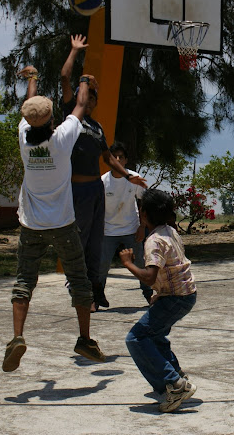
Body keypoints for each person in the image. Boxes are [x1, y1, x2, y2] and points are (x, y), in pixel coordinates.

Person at [2, 67, 105, 372]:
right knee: (79, 280)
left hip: (31, 224)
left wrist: (32, 77)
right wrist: (85, 79)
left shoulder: (24, 138)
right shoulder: (61, 140)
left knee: (24, 281)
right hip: (62, 224)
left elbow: (29, 108)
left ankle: (17, 337)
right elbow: (80, 105)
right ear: (50, 121)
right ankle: (84, 338)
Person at [61, 34, 146, 312]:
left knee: (95, 247)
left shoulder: (96, 127)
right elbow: (65, 76)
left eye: (94, 100)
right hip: (78, 190)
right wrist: (75, 53)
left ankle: (95, 293)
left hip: (95, 191)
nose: (91, 102)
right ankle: (79, 290)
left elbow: (108, 157)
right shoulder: (70, 118)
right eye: (87, 98)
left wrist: (129, 174)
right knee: (80, 242)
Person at [119, 189, 197, 413]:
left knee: (135, 338)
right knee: (155, 334)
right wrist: (159, 294)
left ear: (143, 213)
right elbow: (170, 269)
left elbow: (149, 276)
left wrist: (128, 263)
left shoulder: (154, 241)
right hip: (183, 294)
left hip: (175, 297)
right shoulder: (170, 230)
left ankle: (173, 384)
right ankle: (177, 375)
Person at [97, 142, 152, 308]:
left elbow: (144, 203)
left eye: (121, 156)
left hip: (131, 228)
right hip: (108, 230)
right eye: (115, 156)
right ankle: (97, 298)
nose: (118, 159)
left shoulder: (134, 178)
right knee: (101, 266)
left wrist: (142, 227)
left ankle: (149, 295)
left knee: (141, 263)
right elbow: (97, 208)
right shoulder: (103, 181)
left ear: (126, 160)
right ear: (110, 160)